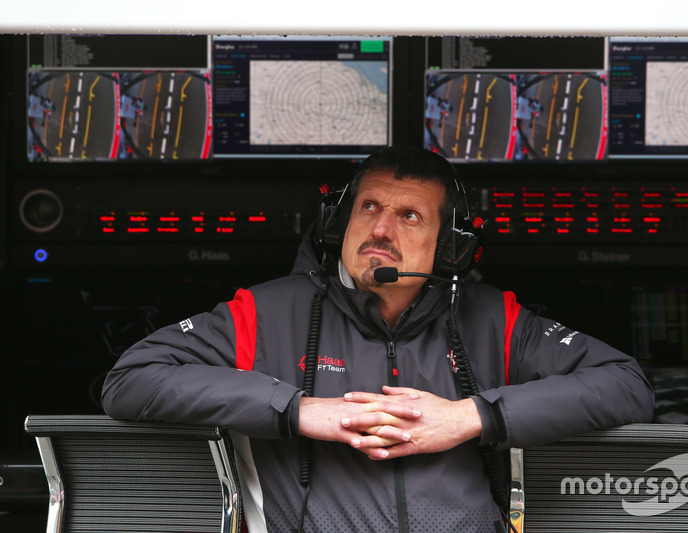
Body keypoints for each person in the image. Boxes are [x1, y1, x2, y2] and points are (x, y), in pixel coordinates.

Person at [102, 145, 654, 533]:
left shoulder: (493, 318)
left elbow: (627, 384)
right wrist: (294, 410)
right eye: (369, 208)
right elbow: (130, 381)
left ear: (449, 248)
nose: (382, 230)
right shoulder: (265, 312)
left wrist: (471, 417)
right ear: (340, 222)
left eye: (409, 216)